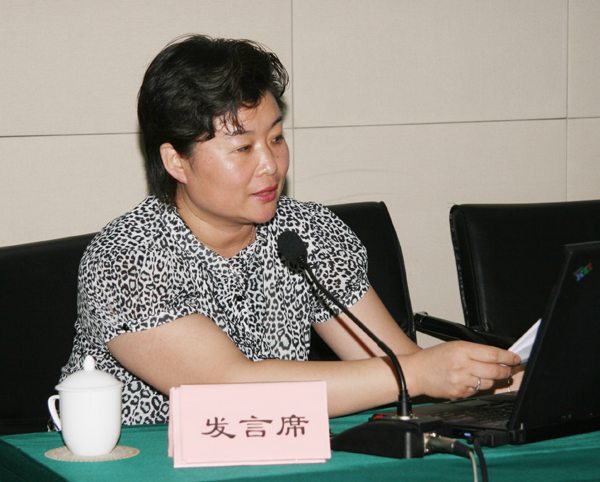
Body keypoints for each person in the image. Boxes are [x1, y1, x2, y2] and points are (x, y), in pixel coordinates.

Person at [60, 34, 521, 426]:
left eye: (276, 138)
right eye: (243, 148)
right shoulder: (126, 257)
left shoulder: (306, 232)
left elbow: (393, 361)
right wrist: (416, 375)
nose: (271, 165)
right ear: (176, 161)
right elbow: (229, 389)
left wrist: (509, 375)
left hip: (276, 456)